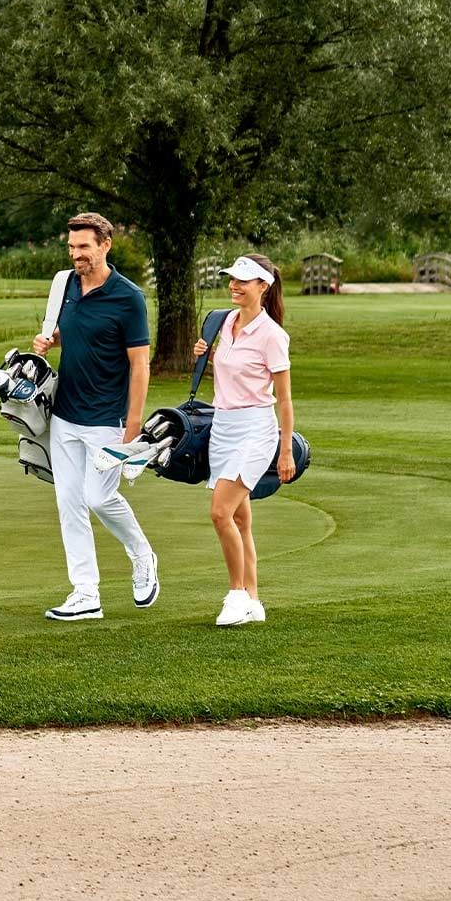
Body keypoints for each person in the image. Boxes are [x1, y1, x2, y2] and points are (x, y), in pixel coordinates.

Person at [32, 213, 159, 621]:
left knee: (99, 497)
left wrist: (134, 426)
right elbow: (71, 334)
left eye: (84, 247)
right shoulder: (64, 285)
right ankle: (85, 593)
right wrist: (50, 340)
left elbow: (140, 365)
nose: (76, 255)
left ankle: (142, 556)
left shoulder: (128, 297)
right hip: (65, 414)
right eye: (71, 248)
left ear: (105, 245)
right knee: (69, 504)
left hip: (108, 418)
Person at [192, 254, 296, 627]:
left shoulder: (272, 335)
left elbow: (283, 398)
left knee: (220, 513)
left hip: (256, 431)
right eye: (232, 279)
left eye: (243, 280)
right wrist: (205, 357)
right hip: (223, 427)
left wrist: (285, 451)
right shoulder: (225, 322)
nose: (234, 285)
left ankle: (236, 594)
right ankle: (253, 599)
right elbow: (232, 380)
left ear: (263, 287)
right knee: (240, 518)